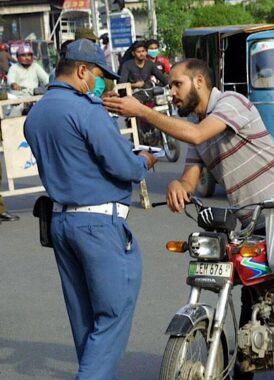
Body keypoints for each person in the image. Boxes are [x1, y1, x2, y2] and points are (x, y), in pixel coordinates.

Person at [103, 58, 274, 380]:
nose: (171, 91)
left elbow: (198, 135)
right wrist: (178, 185)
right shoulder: (199, 127)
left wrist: (143, 112)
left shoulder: (231, 103)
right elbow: (190, 176)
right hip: (250, 223)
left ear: (199, 81)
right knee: (251, 298)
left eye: (177, 84)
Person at [23, 39, 155, 380]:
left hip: (62, 222)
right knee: (112, 314)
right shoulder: (86, 109)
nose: (101, 84)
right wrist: (143, 161)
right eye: (98, 75)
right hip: (99, 224)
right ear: (82, 71)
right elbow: (123, 166)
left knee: (84, 319)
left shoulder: (36, 114)